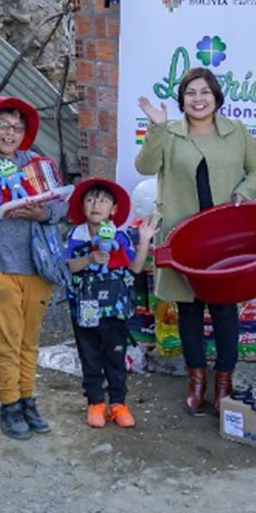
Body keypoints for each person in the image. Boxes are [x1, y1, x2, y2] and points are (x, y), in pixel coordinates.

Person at [135, 67, 256, 416]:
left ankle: (224, 380)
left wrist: (244, 192)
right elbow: (145, 165)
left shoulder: (236, 131)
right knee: (189, 308)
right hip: (181, 234)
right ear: (182, 99)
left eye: (205, 92)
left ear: (216, 98)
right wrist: (156, 127)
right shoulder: (170, 132)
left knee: (225, 308)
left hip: (223, 237)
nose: (198, 99)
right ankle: (196, 380)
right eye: (191, 93)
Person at [0, 56, 67, 440]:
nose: (10, 132)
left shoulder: (36, 163)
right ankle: (9, 404)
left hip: (36, 266)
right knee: (6, 341)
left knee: (30, 341)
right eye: (2, 124)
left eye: (17, 127)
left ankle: (28, 400)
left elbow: (61, 206)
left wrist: (41, 214)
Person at [64, 178, 156, 428]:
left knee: (116, 357)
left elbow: (135, 268)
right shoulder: (75, 236)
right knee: (90, 355)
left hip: (115, 309)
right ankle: (95, 403)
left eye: (103, 200)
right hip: (85, 309)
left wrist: (145, 240)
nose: (96, 204)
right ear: (83, 206)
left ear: (113, 209)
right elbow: (67, 267)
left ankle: (118, 404)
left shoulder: (121, 236)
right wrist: (90, 258)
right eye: (91, 199)